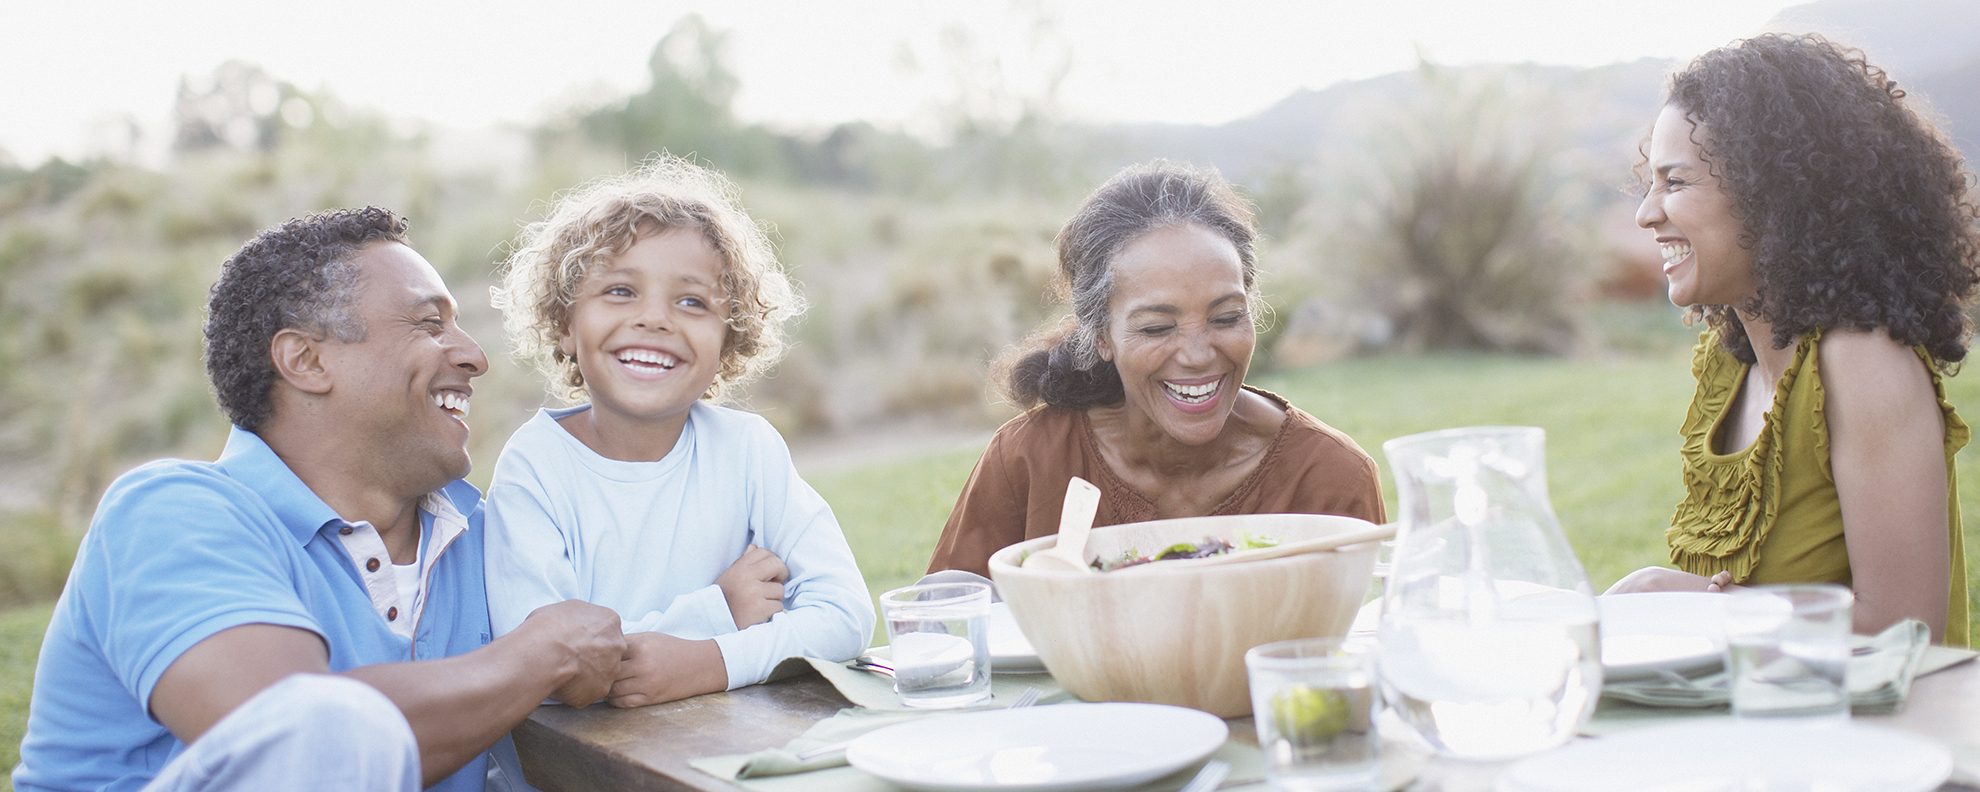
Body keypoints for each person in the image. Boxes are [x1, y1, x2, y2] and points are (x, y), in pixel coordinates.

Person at [12, 207, 626, 791]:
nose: (474, 356)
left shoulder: (488, 535)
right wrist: (541, 657)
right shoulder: (171, 514)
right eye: (429, 324)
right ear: (305, 360)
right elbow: (296, 740)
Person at [1610, 34, 1979, 646]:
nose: (1646, 214)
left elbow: (1904, 633)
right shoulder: (1730, 364)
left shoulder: (1861, 363)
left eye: (1675, 183)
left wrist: (1672, 599)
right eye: (1651, 184)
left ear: (1771, 195)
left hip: (1865, 737)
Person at [484, 157, 873, 706]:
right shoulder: (535, 467)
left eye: (692, 301)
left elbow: (846, 616)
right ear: (566, 325)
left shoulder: (746, 449)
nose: (655, 319)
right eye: (620, 291)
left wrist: (707, 662)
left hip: (720, 758)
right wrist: (718, 612)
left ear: (728, 341)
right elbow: (546, 669)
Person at [926, 160, 1386, 577]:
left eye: (1225, 318)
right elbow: (945, 626)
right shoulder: (1029, 461)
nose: (1197, 354)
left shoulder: (1329, 478)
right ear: (1103, 336)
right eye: (1157, 328)